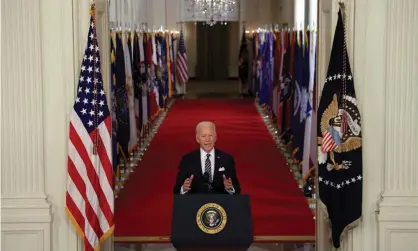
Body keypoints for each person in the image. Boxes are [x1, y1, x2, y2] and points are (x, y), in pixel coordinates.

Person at [173, 121, 241, 194]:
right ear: (197, 138)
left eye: (210, 135)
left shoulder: (227, 159)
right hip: (195, 203)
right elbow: (177, 190)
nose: (207, 139)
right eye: (203, 136)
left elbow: (237, 189)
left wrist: (230, 188)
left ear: (215, 137)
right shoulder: (187, 160)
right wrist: (184, 188)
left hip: (219, 204)